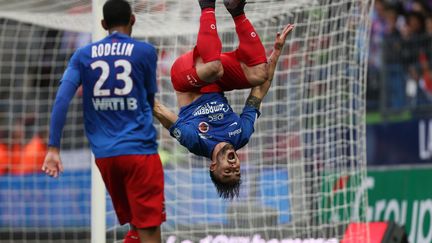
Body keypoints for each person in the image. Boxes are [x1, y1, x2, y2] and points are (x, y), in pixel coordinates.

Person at [41, 0, 164, 242]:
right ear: (133, 20)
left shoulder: (82, 55)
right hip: (139, 152)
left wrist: (53, 148)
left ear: (103, 24)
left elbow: (62, 99)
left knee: (135, 230)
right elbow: (149, 100)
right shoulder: (146, 52)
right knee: (149, 232)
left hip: (106, 158)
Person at [153, 0, 294, 199]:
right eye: (236, 170)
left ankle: (207, 6)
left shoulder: (195, 142)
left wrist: (138, 90)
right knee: (259, 74)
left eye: (227, 171)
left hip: (186, 77)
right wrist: (277, 52)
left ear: (213, 166)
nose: (234, 165)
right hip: (216, 80)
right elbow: (259, 93)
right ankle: (237, 11)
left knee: (213, 68)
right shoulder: (241, 134)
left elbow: (160, 111)